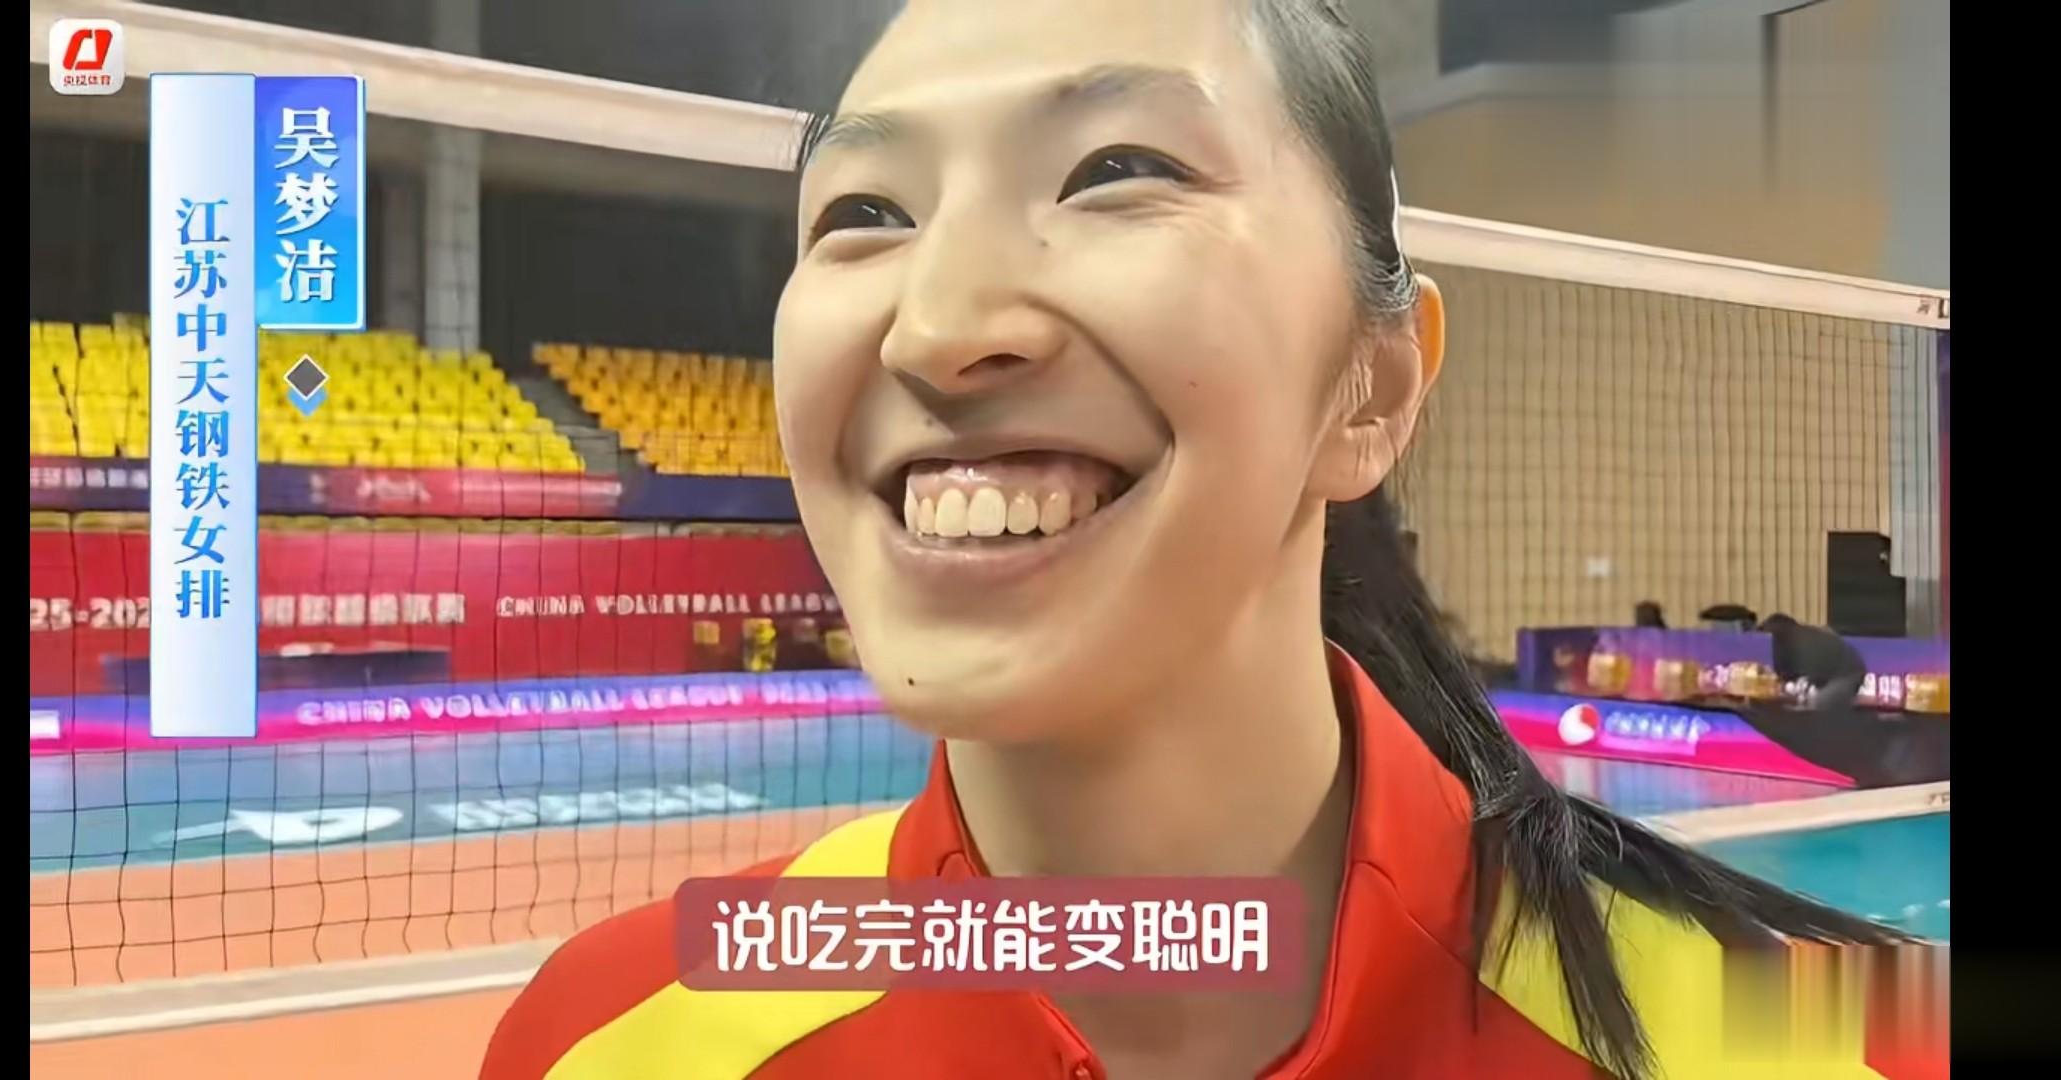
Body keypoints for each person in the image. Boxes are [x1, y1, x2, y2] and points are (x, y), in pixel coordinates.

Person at [483, 3, 1905, 1078]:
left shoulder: (1821, 1043)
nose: (941, 325)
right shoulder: (610, 1038)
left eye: (1114, 171)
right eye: (866, 215)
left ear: (1374, 387)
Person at [1760, 612, 1870, 714]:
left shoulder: (1802, 642)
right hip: (1829, 671)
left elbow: (1812, 671)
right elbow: (1785, 673)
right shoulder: (1786, 640)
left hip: (1847, 673)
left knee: (1820, 705)